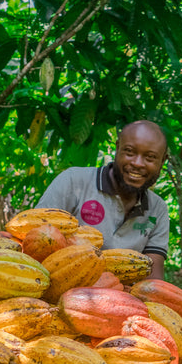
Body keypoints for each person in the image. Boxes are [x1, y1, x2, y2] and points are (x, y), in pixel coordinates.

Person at [36, 120, 169, 281]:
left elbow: (153, 280)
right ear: (117, 147)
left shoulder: (158, 209)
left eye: (150, 157)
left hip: (121, 298)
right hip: (62, 285)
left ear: (163, 161)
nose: (137, 163)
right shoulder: (73, 182)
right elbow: (36, 239)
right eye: (129, 152)